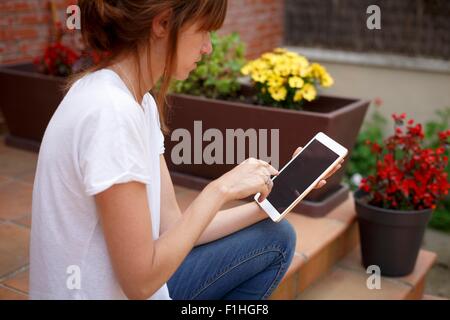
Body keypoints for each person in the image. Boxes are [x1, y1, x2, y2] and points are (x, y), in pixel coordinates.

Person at [29, 0, 342, 300]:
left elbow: (174, 228)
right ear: (163, 23)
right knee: (277, 241)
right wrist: (219, 190)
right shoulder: (111, 113)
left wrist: (272, 203)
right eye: (204, 30)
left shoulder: (137, 102)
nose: (208, 47)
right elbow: (139, 283)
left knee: (277, 237)